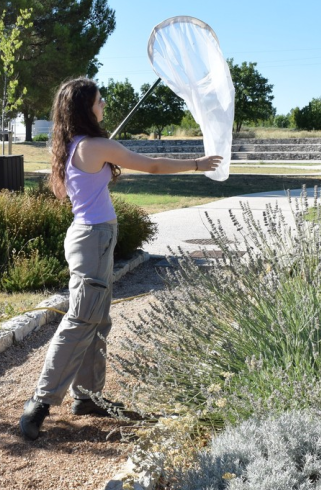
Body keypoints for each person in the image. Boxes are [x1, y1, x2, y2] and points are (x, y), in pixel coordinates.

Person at [19, 77, 223, 440]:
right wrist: (198, 163)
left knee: (97, 321)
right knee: (82, 319)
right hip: (93, 239)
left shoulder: (73, 145)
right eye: (99, 101)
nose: (103, 106)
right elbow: (154, 166)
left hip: (90, 238)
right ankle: (39, 403)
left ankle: (88, 397)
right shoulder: (95, 146)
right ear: (86, 108)